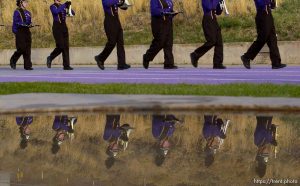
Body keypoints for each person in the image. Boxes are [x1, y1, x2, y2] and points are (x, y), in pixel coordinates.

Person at [241, 0, 286, 69]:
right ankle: (246, 57)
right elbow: (260, 4)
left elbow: (272, 6)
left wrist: (272, 3)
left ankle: (276, 62)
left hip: (268, 14)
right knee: (262, 38)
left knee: (272, 39)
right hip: (262, 15)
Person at [94, 0, 131, 70]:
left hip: (116, 20)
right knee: (112, 42)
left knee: (120, 42)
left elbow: (124, 7)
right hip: (109, 21)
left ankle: (121, 64)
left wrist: (123, 2)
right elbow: (107, 4)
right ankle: (100, 58)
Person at [143, 0, 180, 70]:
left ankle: (169, 63)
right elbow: (154, 11)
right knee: (160, 42)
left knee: (169, 42)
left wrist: (173, 13)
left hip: (168, 22)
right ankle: (147, 57)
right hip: (158, 23)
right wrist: (166, 11)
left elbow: (170, 9)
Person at [190, 0, 226, 69]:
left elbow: (218, 12)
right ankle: (195, 54)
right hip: (208, 19)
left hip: (214, 19)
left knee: (219, 42)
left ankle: (217, 63)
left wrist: (221, 4)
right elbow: (208, 7)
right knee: (211, 41)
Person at [47, 0, 74, 70]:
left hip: (64, 26)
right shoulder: (52, 6)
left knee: (66, 46)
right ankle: (51, 57)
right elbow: (56, 12)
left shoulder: (63, 6)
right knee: (60, 46)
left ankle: (66, 65)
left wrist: (69, 7)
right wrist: (65, 5)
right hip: (57, 27)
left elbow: (72, 14)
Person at [10, 0, 33, 70]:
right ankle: (13, 60)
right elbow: (15, 22)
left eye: (27, 2)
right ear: (21, 3)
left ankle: (27, 65)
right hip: (20, 31)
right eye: (25, 2)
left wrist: (30, 24)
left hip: (27, 31)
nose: (26, 3)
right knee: (21, 48)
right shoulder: (17, 12)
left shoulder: (28, 13)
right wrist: (16, 31)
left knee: (28, 49)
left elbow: (29, 22)